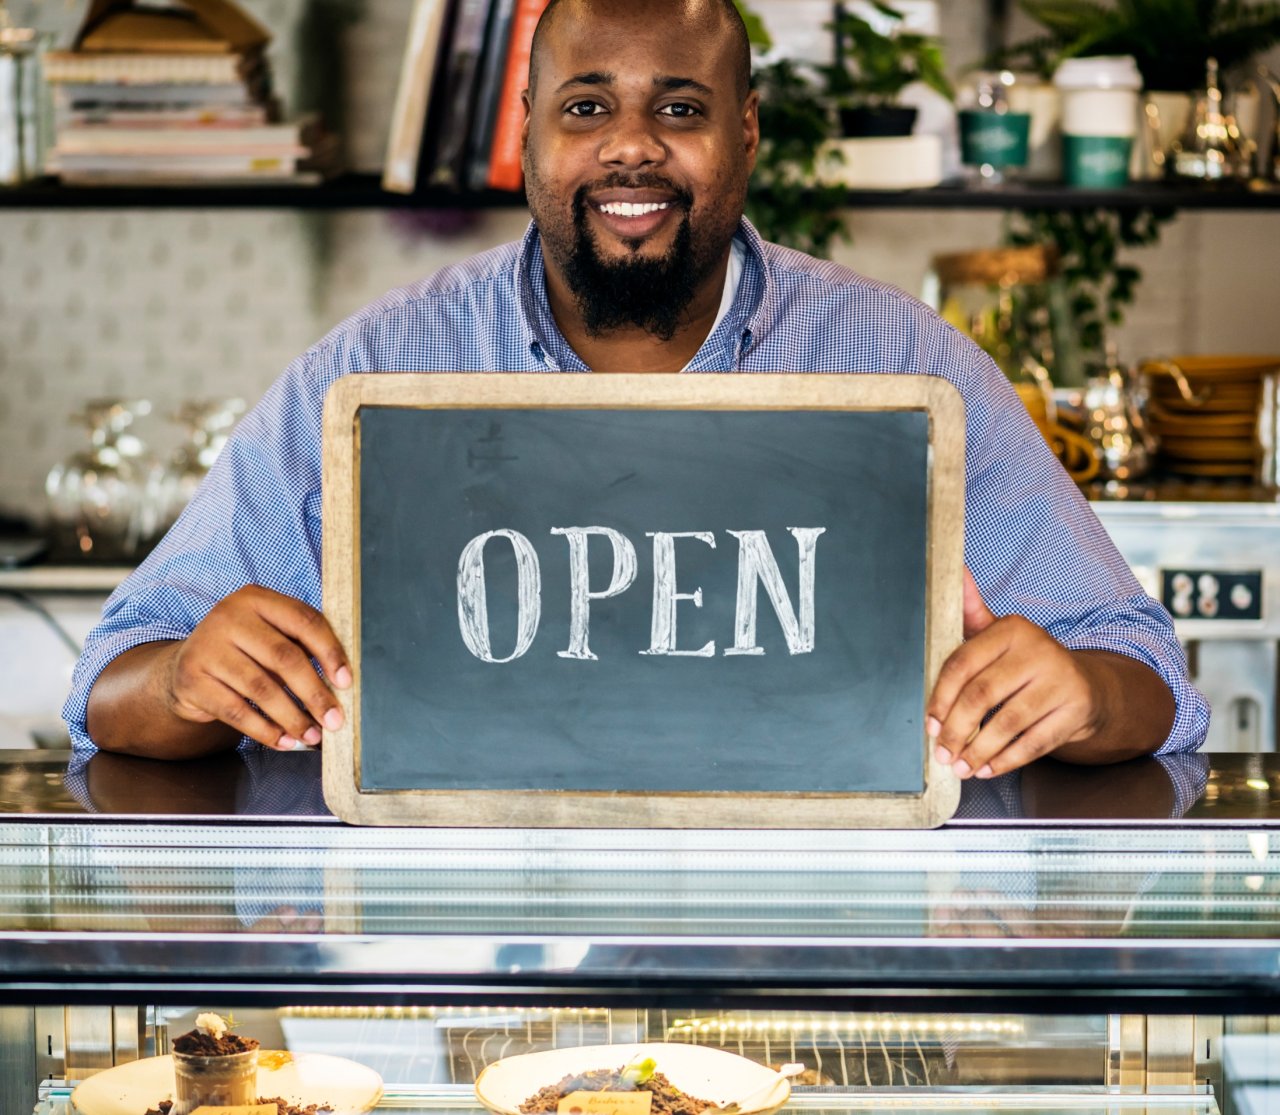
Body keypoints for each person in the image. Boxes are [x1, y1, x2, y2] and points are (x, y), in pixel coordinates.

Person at [65, 0, 1208, 777]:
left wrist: (1081, 694)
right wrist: (185, 676)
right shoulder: (368, 377)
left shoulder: (910, 368)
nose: (629, 148)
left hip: (816, 945)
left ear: (744, 134)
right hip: (456, 961)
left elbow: (1146, 676)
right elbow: (109, 687)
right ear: (527, 136)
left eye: (677, 107)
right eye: (584, 107)